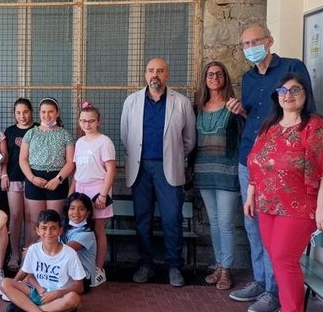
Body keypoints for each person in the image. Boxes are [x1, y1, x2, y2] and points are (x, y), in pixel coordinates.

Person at [246, 73, 323, 312]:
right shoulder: (270, 125)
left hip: (299, 206)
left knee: (283, 257)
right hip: (268, 204)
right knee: (276, 256)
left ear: (305, 94)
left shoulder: (315, 127)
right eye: (283, 90)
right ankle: (288, 309)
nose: (288, 95)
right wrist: (251, 194)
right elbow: (256, 162)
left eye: (295, 90)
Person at [226, 23, 315, 312]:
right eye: (245, 43)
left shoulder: (291, 68)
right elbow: (259, 117)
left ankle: (276, 292)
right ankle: (262, 280)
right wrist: (241, 112)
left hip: (282, 162)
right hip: (250, 157)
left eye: (255, 41)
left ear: (269, 40)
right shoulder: (248, 79)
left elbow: (304, 110)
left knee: (276, 228)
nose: (250, 47)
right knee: (253, 224)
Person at [120, 58, 196, 287]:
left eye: (160, 71)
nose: (156, 75)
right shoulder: (131, 102)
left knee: (172, 218)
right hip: (141, 168)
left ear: (167, 75)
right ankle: (146, 264)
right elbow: (126, 136)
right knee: (142, 219)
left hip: (169, 168)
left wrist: (173, 154)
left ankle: (174, 266)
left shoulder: (181, 102)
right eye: (151, 71)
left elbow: (190, 139)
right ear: (145, 74)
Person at [193, 62, 242, 290]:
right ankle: (219, 264)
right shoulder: (198, 107)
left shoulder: (233, 107)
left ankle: (227, 270)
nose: (214, 77)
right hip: (204, 171)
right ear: (205, 78)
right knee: (213, 222)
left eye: (219, 74)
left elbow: (245, 134)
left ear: (225, 78)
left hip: (227, 172)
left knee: (225, 222)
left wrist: (242, 112)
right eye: (210, 74)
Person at [0, 209, 85, 312]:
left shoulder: (69, 254)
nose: (48, 233)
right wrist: (37, 289)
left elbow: (79, 287)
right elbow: (28, 275)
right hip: (38, 292)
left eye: (53, 228)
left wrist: (58, 293)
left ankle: (27, 311)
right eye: (44, 228)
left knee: (74, 299)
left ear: (60, 230)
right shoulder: (33, 249)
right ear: (37, 230)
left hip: (59, 297)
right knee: (5, 283)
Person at [70, 102, 115, 287]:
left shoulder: (104, 141)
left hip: (98, 189)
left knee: (98, 230)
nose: (87, 125)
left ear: (98, 122)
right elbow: (77, 170)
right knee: (79, 229)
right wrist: (71, 193)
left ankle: (98, 270)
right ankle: (81, 266)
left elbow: (111, 170)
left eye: (91, 121)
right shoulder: (79, 142)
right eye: (83, 121)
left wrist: (103, 195)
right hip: (81, 189)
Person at [19, 97, 75, 225]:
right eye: (43, 112)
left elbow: (70, 162)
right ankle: (37, 246)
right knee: (37, 222)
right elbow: (22, 159)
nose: (47, 115)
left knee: (53, 221)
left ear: (57, 113)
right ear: (39, 113)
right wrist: (32, 178)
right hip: (34, 178)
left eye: (50, 111)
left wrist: (58, 179)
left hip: (57, 179)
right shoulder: (31, 133)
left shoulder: (65, 134)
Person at [3, 98, 36, 271]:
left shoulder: (38, 129)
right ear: (14, 114)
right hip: (14, 178)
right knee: (15, 216)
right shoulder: (9, 131)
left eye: (25, 112)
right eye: (18, 112)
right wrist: (3, 175)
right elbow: (5, 156)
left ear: (31, 111)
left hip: (33, 179)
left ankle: (28, 255)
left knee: (31, 217)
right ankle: (14, 255)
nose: (22, 116)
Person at [61, 192, 97, 291]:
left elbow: (65, 251)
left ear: (88, 212)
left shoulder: (87, 233)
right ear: (67, 211)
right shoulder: (64, 228)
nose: (76, 212)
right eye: (72, 208)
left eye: (81, 209)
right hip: (65, 272)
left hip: (82, 278)